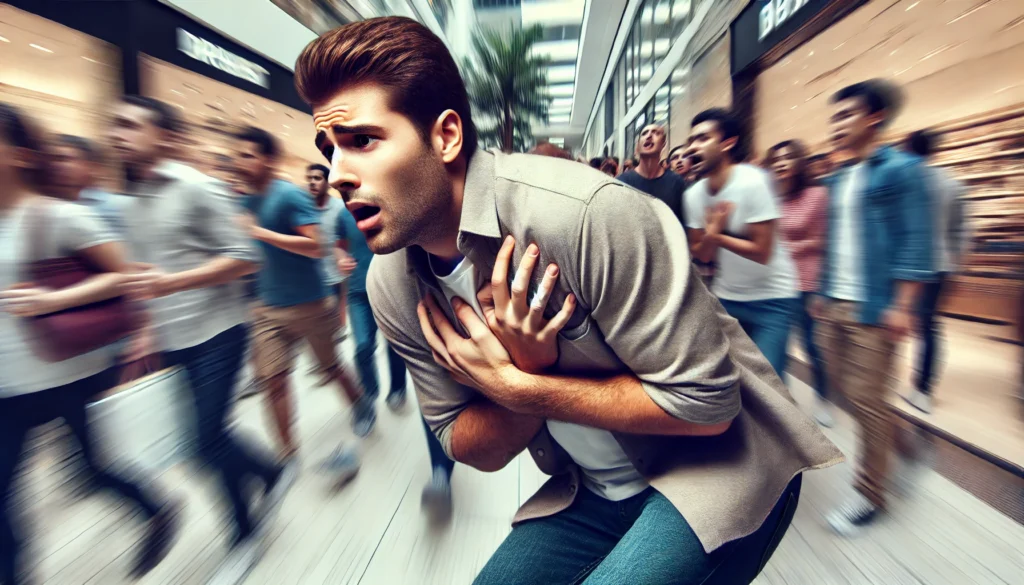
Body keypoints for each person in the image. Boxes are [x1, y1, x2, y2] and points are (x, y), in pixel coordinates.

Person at [295, 17, 841, 585]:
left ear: (446, 137)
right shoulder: (390, 283)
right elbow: (468, 445)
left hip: (719, 469)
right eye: (330, 148)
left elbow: (706, 405)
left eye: (361, 141)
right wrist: (529, 367)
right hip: (595, 491)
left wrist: (518, 386)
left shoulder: (583, 214)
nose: (337, 175)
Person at [106, 96, 297, 581]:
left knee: (204, 442)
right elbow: (145, 276)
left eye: (129, 126)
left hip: (218, 333)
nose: (117, 134)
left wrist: (173, 283)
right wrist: (144, 335)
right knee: (204, 441)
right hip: (173, 338)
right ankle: (271, 472)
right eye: (114, 125)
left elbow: (244, 257)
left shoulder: (197, 188)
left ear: (164, 136)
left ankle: (244, 535)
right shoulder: (134, 202)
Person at [0, 103, 177, 585]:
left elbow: (127, 277)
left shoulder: (57, 216)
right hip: (6, 385)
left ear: (17, 154)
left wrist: (50, 299)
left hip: (65, 374)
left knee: (91, 471)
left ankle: (157, 507)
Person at [814, 80, 934, 535]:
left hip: (876, 307)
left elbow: (916, 241)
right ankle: (906, 442)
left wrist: (903, 304)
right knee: (854, 394)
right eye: (835, 117)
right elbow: (835, 243)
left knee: (867, 401)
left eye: (846, 116)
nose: (837, 125)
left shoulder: (902, 170)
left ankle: (869, 495)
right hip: (837, 303)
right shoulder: (840, 176)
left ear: (874, 118)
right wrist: (824, 293)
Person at [234, 126, 376, 461]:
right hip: (268, 308)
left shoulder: (288, 196)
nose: (239, 162)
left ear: (268, 161)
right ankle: (287, 455)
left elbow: (316, 246)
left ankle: (361, 404)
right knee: (274, 380)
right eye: (236, 155)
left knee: (331, 368)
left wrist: (260, 233)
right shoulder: (244, 200)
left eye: (247, 155)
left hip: (311, 305)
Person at [333, 202, 456, 520]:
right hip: (360, 293)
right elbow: (339, 249)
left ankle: (440, 475)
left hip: (404, 295)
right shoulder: (341, 214)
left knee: (432, 388)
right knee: (361, 348)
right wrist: (340, 262)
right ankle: (368, 397)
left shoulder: (399, 204)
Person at [683, 109, 800, 377]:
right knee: (732, 378)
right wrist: (711, 240)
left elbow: (762, 252)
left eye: (702, 139)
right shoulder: (693, 196)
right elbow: (701, 254)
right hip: (728, 297)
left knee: (770, 382)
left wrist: (716, 236)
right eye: (691, 141)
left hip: (772, 299)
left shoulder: (753, 182)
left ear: (727, 143)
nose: (692, 148)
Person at [902, 129, 969, 413]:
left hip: (907, 265)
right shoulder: (952, 183)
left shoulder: (905, 182)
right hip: (940, 265)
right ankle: (923, 390)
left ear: (907, 150)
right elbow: (961, 231)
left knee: (897, 321)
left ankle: (883, 379)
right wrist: (956, 267)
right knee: (929, 326)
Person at [765, 140, 832, 425]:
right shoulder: (768, 197)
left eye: (788, 158)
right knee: (777, 344)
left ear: (799, 163)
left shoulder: (816, 195)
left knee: (811, 344)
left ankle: (823, 398)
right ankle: (782, 400)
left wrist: (787, 247)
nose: (781, 164)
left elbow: (824, 240)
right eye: (776, 159)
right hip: (773, 283)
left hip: (806, 282)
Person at [306, 163, 349, 362]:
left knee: (334, 317)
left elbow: (347, 238)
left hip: (336, 271)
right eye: (310, 178)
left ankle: (330, 355)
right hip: (311, 274)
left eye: (317, 178)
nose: (312, 182)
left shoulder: (340, 208)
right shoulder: (304, 208)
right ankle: (325, 356)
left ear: (327, 182)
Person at [50, 134, 127, 233]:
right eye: (53, 160)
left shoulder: (116, 207)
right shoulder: (49, 208)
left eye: (64, 159)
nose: (55, 165)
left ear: (93, 167)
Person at [616, 124, 686, 225]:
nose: (649, 136)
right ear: (637, 146)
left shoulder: (677, 182)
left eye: (656, 133)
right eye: (644, 133)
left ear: (663, 144)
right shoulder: (621, 182)